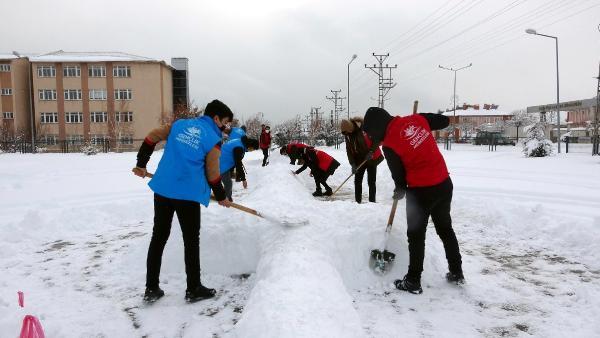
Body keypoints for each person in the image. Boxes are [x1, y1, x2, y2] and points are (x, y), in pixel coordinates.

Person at [132, 99, 233, 303]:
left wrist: (141, 163)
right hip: (187, 195)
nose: (226, 126)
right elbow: (213, 174)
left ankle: (151, 288)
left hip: (163, 188)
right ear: (215, 118)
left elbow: (152, 137)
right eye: (225, 122)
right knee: (191, 241)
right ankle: (193, 288)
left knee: (158, 237)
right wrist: (222, 196)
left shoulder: (179, 125)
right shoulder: (212, 139)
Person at [362, 107, 464, 295]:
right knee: (445, 229)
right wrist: (418, 127)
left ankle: (413, 281)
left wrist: (399, 191)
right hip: (443, 184)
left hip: (421, 192)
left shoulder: (390, 145)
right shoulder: (418, 119)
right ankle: (457, 272)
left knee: (416, 237)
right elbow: (444, 121)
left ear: (377, 128)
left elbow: (399, 178)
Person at [340, 117, 384, 203]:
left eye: (348, 131)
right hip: (359, 160)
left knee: (371, 181)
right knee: (357, 181)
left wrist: (371, 152)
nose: (347, 134)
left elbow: (376, 139)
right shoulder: (347, 135)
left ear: (351, 127)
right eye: (345, 133)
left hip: (370, 158)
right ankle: (358, 202)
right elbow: (349, 150)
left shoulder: (364, 127)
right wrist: (352, 164)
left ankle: (372, 202)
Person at [220, 136, 259, 201]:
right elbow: (238, 163)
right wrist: (244, 179)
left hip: (223, 159)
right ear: (250, 145)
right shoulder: (239, 148)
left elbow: (235, 160)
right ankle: (227, 200)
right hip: (221, 161)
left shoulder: (240, 142)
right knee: (228, 183)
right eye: (253, 149)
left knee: (227, 181)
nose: (251, 150)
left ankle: (226, 197)